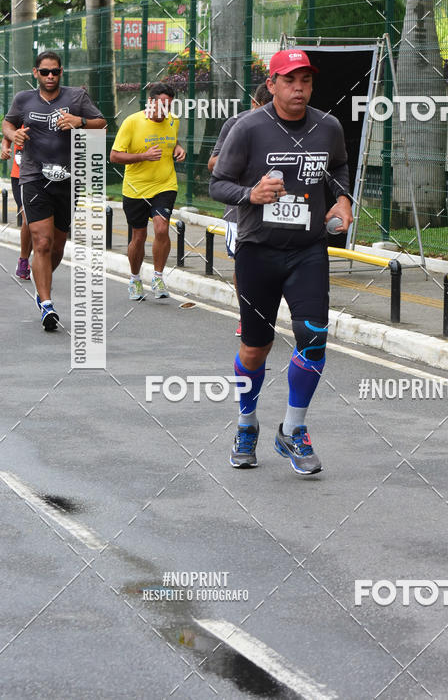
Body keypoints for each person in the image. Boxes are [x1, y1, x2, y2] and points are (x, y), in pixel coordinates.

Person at [209, 48, 352, 475]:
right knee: (256, 347)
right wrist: (250, 194)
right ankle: (246, 423)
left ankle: (293, 429)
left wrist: (342, 201)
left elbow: (339, 169)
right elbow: (218, 184)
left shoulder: (328, 127)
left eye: (306, 81)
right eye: (289, 80)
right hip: (258, 250)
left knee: (314, 338)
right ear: (271, 84)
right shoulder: (248, 128)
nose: (299, 89)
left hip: (308, 250)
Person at [2, 51, 105, 330]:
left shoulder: (77, 97)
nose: (50, 76)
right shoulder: (23, 99)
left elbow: (101, 123)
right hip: (34, 177)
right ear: (35, 72)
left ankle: (41, 280)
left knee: (58, 245)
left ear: (61, 72)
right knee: (42, 242)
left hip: (68, 179)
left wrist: (80, 121)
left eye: (55, 72)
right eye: (45, 72)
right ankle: (46, 303)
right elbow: (8, 122)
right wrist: (12, 135)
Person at [110, 82, 186, 301]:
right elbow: (114, 156)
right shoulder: (132, 122)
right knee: (139, 235)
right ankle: (135, 279)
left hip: (165, 184)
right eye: (162, 105)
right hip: (136, 189)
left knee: (161, 228)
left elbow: (171, 139)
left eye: (169, 106)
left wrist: (178, 147)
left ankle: (158, 277)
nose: (166, 110)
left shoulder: (173, 120)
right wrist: (143, 156)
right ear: (151, 102)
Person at [207, 82, 272, 335]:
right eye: (264, 109)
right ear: (254, 104)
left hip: (279, 208)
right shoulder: (236, 124)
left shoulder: (291, 125)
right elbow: (213, 163)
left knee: (272, 265)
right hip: (241, 209)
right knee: (244, 265)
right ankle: (246, 315)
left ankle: (265, 312)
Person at [0, 136, 32, 278]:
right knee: (29, 218)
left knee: (41, 225)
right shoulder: (18, 120)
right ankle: (24, 260)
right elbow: (7, 137)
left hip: (43, 177)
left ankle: (39, 260)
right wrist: (5, 148)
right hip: (20, 176)